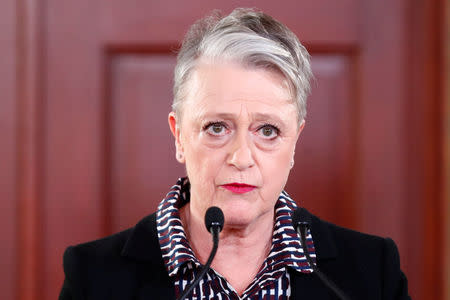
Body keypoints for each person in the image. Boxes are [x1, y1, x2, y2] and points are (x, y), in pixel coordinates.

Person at [59, 8, 411, 300]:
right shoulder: (92, 277)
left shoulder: (372, 272)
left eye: (268, 131)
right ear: (179, 136)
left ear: (294, 142)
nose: (241, 157)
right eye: (217, 127)